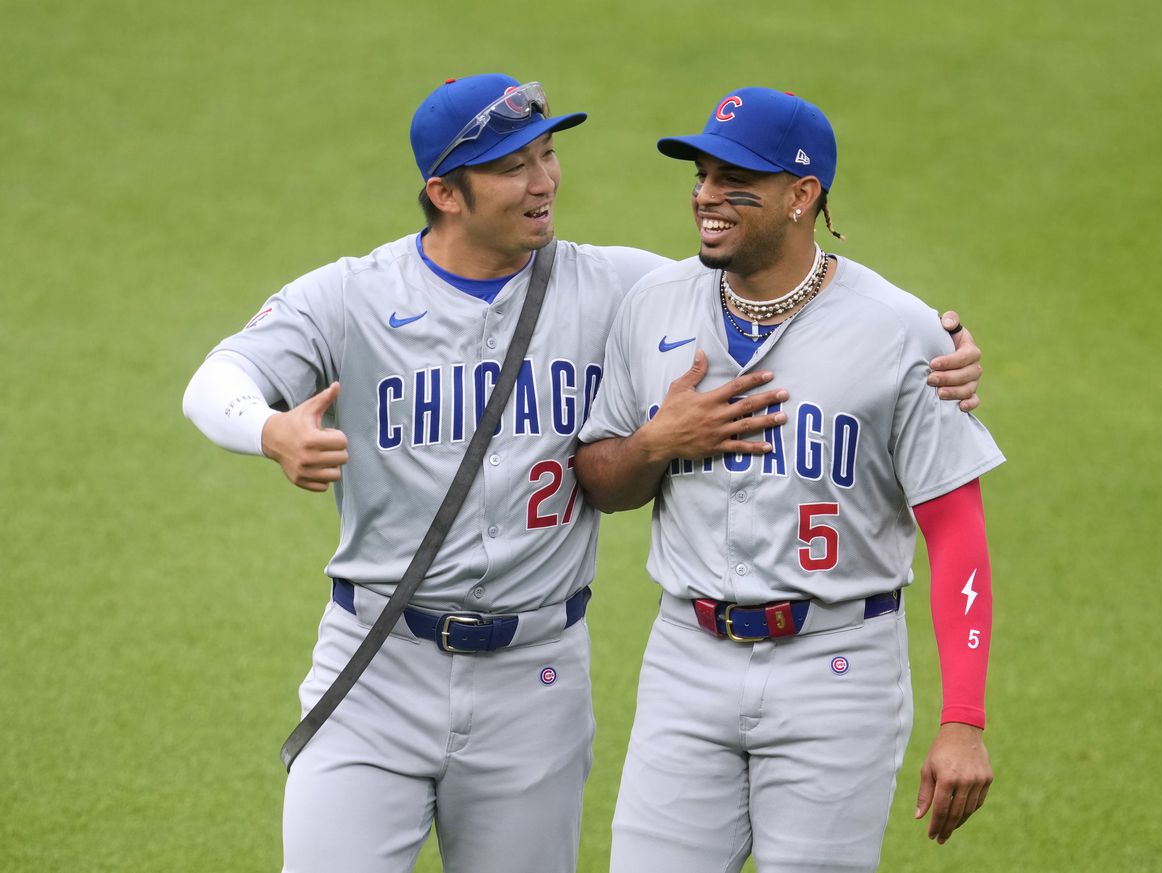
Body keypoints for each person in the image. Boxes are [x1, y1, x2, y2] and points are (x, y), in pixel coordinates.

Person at [181, 75, 984, 873]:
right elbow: (214, 379)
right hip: (379, 658)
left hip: (536, 681)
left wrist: (939, 342)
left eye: (549, 153)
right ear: (445, 192)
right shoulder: (354, 295)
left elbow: (779, 285)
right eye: (513, 166)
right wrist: (270, 430)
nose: (544, 181)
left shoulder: (620, 285)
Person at [574, 86, 1005, 873]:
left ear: (803, 195)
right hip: (686, 657)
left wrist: (964, 717)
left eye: (735, 178)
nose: (706, 194)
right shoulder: (653, 305)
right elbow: (602, 482)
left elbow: (958, 533)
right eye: (702, 173)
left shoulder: (900, 331)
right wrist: (658, 440)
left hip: (837, 669)